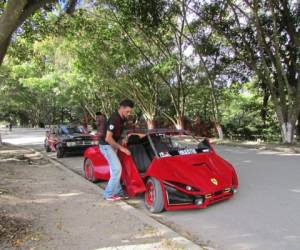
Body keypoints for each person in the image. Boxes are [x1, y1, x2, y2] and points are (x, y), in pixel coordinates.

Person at [99, 99, 134, 201]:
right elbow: (108, 138)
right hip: (106, 146)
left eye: (130, 111)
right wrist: (122, 149)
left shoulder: (122, 118)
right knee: (117, 169)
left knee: (114, 170)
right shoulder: (114, 119)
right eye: (127, 111)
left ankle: (118, 192)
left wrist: (123, 138)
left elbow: (119, 133)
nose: (129, 114)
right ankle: (108, 194)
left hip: (113, 145)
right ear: (122, 108)